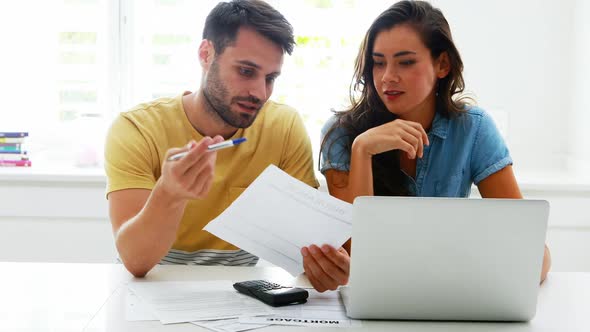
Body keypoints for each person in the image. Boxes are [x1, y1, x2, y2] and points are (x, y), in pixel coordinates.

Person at [301, 0, 551, 292]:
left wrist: (522, 265)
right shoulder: (342, 133)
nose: (387, 77)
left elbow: (530, 248)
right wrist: (362, 150)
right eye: (378, 62)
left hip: (450, 289)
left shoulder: (474, 128)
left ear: (442, 64)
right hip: (377, 295)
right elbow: (355, 253)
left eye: (405, 62)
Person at [105, 0, 318, 278]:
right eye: (245, 71)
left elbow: (303, 241)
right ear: (206, 54)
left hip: (237, 295)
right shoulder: (136, 128)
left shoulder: (285, 127)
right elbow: (135, 261)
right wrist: (169, 194)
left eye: (270, 78)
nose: (260, 93)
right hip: (150, 287)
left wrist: (323, 264)